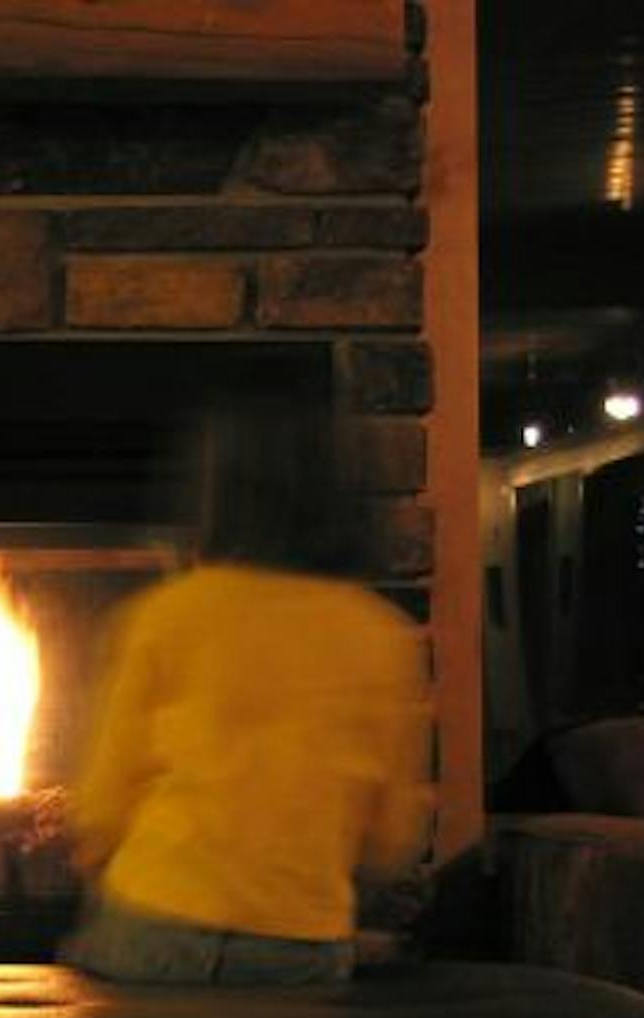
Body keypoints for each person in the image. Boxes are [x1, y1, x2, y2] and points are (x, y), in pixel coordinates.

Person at [60, 390, 432, 986]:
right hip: (299, 945)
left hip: (152, 925)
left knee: (89, 963)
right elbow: (391, 841)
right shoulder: (381, 635)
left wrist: (92, 865)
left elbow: (102, 805)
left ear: (218, 496)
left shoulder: (164, 615)